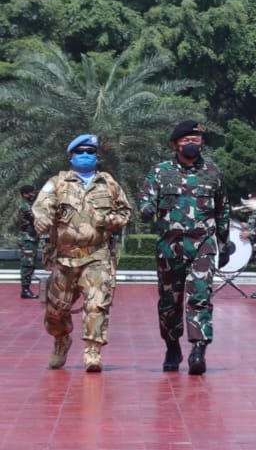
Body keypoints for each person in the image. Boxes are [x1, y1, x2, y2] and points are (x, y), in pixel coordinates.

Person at [31, 134, 132, 371]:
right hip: (64, 258)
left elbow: (125, 213)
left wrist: (106, 220)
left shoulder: (108, 183)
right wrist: (43, 220)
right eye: (80, 152)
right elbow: (42, 206)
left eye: (89, 152)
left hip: (97, 256)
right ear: (71, 156)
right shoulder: (58, 183)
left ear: (97, 156)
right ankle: (61, 339)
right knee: (56, 311)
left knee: (97, 304)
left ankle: (92, 351)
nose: (85, 156)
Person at [138, 120, 230, 375]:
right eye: (187, 140)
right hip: (170, 247)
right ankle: (172, 345)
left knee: (200, 297)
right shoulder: (160, 172)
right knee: (169, 302)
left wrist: (224, 243)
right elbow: (146, 199)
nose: (192, 144)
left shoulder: (212, 172)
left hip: (203, 244)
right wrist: (146, 209)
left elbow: (223, 209)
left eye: (197, 140)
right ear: (175, 144)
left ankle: (198, 349)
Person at [17, 185, 40, 299]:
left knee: (31, 264)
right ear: (25, 194)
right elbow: (36, 218)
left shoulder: (28, 205)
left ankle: (26, 289)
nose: (33, 195)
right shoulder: (25, 207)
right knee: (27, 264)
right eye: (30, 193)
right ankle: (25, 290)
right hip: (27, 239)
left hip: (31, 239)